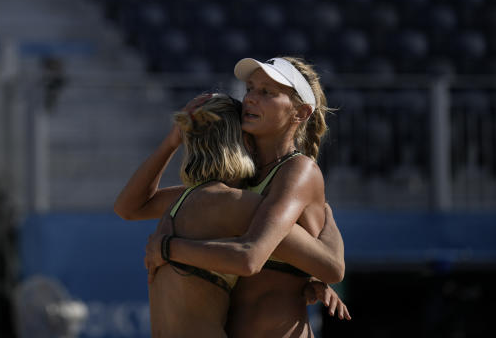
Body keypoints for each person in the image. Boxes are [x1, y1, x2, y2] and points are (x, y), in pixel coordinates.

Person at [116, 56, 345, 337]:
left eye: (267, 92)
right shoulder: (236, 183)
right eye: (250, 89)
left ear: (300, 113)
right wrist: (173, 140)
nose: (250, 98)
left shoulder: (298, 170)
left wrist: (167, 248)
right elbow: (131, 207)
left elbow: (253, 258)